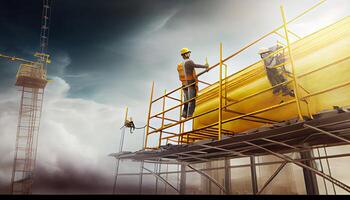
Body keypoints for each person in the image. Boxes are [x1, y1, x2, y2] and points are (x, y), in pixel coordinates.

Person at [177, 48, 209, 118]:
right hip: (190, 84)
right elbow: (196, 65)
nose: (189, 54)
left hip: (184, 85)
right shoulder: (189, 62)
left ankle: (184, 113)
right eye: (188, 53)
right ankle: (190, 115)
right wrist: (205, 66)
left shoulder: (181, 65)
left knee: (186, 100)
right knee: (192, 100)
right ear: (185, 54)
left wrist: (204, 70)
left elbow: (187, 74)